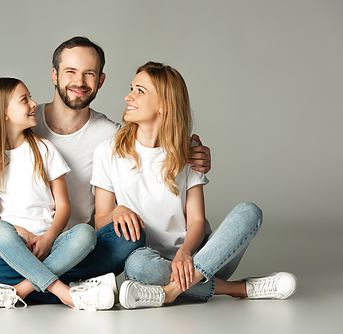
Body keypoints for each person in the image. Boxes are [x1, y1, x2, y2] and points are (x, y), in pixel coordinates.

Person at [0, 37, 211, 305]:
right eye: (70, 72)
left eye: (89, 73)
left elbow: (158, 144)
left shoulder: (112, 135)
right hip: (16, 243)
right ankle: (64, 289)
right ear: (54, 75)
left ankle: (8, 287)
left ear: (100, 80)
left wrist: (193, 149)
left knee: (132, 236)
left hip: (78, 249)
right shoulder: (26, 123)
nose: (79, 82)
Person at [90, 61, 297, 309]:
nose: (128, 96)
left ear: (164, 105)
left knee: (249, 212)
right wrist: (116, 211)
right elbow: (101, 219)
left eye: (139, 91)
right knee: (136, 266)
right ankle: (238, 289)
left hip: (205, 256)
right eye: (132, 88)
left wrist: (186, 253)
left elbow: (197, 220)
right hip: (152, 263)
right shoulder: (108, 151)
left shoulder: (187, 152)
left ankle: (169, 292)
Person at [0, 77, 115, 310]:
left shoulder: (45, 149)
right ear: (3, 113)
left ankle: (15, 290)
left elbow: (64, 207)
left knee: (85, 234)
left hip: (53, 243)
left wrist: (48, 239)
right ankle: (65, 291)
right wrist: (18, 231)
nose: (33, 104)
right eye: (24, 100)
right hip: (12, 243)